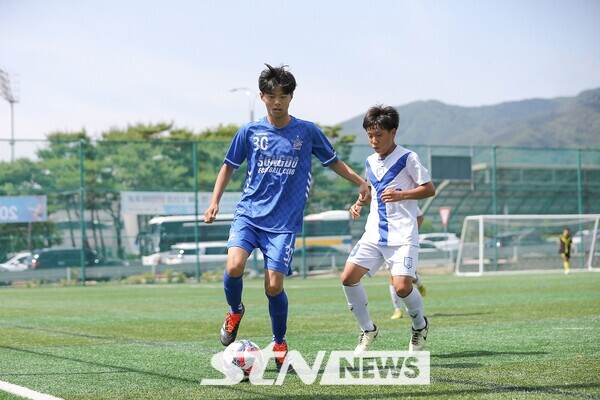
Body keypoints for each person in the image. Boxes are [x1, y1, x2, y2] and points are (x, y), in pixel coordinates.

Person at [204, 64, 370, 370]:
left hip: (283, 225)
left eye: (283, 95)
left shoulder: (306, 131)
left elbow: (333, 162)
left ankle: (279, 344)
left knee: (273, 287)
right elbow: (228, 166)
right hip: (249, 214)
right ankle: (235, 310)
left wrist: (359, 181)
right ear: (262, 97)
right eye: (270, 95)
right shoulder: (250, 132)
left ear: (292, 97)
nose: (276, 101)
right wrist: (214, 201)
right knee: (234, 264)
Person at [341, 104, 436, 355]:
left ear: (393, 132)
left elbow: (429, 189)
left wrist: (402, 194)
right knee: (348, 278)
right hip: (374, 233)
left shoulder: (408, 158)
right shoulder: (370, 161)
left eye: (379, 135)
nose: (373, 141)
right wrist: (359, 202)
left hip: (403, 234)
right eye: (370, 136)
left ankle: (419, 326)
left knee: (403, 287)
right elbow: (372, 190)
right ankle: (368, 329)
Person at [390, 208, 425, 320]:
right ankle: (398, 309)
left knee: (408, 278)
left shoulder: (404, 198)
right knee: (393, 276)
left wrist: (412, 233)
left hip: (406, 243)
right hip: (388, 244)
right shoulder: (380, 201)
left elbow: (419, 217)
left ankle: (418, 282)